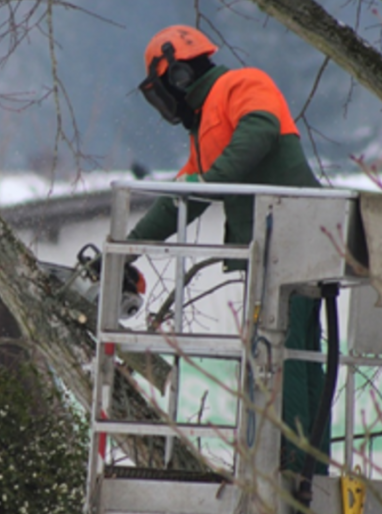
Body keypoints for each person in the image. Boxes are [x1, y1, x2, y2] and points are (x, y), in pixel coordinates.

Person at [127, 24, 328, 475]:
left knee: (288, 360)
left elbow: (260, 131)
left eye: (163, 89)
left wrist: (212, 181)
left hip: (296, 241)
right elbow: (183, 200)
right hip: (271, 253)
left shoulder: (242, 84)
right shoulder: (205, 128)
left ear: (175, 76)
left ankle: (295, 474)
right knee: (283, 357)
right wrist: (127, 249)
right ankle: (298, 467)